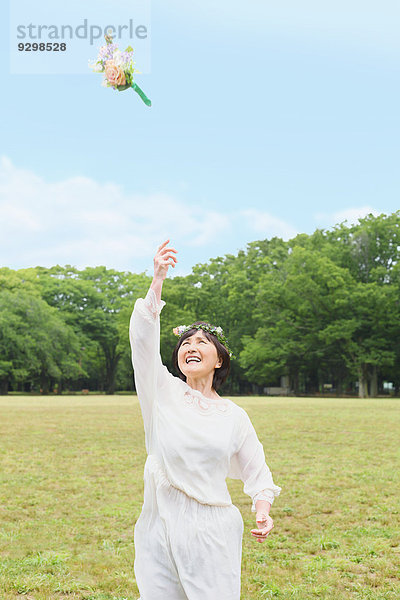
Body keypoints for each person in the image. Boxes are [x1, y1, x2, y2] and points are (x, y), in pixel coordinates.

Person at [130, 240, 282, 600]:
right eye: (184, 343)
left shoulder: (233, 416)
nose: (190, 346)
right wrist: (158, 280)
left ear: (219, 360)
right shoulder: (160, 392)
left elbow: (257, 473)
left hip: (212, 532)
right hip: (159, 525)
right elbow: (142, 340)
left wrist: (262, 511)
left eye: (202, 342)